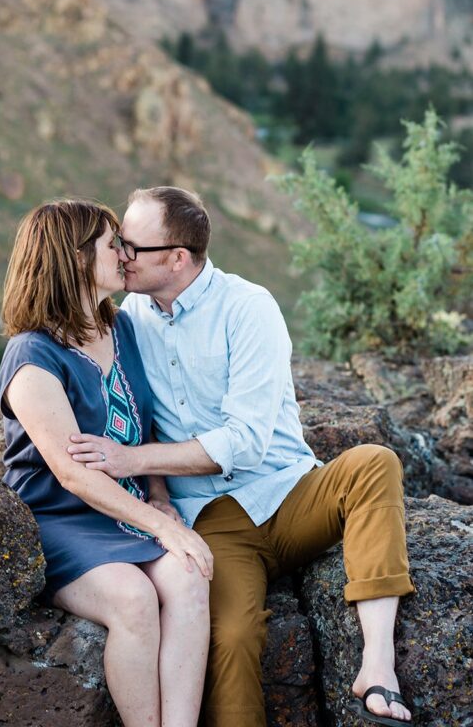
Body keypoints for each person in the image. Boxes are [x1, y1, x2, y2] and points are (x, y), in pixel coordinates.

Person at [67, 186, 416, 727]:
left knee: (374, 461)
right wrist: (155, 495)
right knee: (229, 638)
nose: (121, 256)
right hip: (211, 520)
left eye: (132, 245)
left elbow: (247, 441)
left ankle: (377, 664)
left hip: (288, 490)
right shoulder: (128, 318)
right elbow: (128, 409)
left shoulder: (248, 307)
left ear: (177, 258)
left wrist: (130, 461)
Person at [0, 199, 212, 727]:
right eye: (112, 244)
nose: (125, 253)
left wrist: (159, 496)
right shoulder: (32, 355)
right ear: (73, 258)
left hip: (131, 509)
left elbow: (149, 427)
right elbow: (73, 472)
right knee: (135, 599)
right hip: (59, 519)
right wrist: (162, 525)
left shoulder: (126, 329)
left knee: (188, 577)